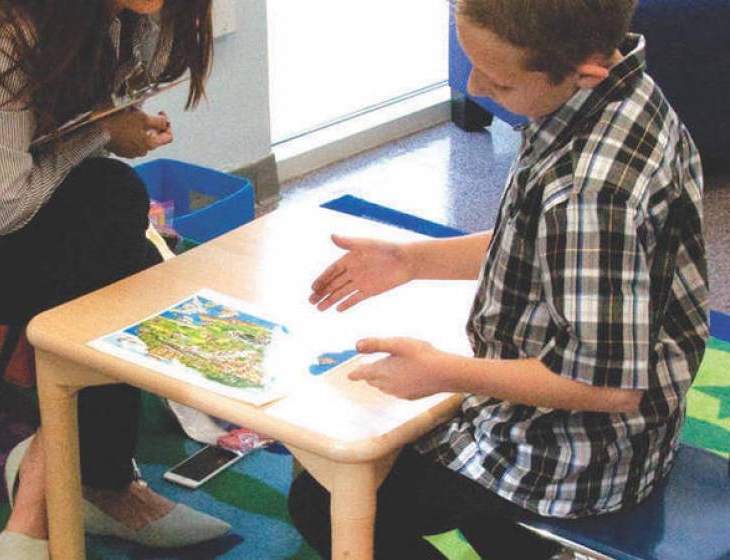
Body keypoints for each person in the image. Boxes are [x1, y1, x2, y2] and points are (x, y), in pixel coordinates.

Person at [288, 1, 710, 558]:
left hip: (571, 459)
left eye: (500, 81)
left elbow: (608, 386)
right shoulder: (614, 95)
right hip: (598, 433)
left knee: (323, 497)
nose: (475, 86)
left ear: (583, 73)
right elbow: (539, 243)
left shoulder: (593, 192)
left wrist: (444, 373)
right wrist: (412, 260)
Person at [0, 0, 231, 557]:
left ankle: (51, 489)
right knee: (116, 232)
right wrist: (104, 135)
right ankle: (85, 488)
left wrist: (91, 135)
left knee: (111, 220)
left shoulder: (153, 15)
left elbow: (30, 174)